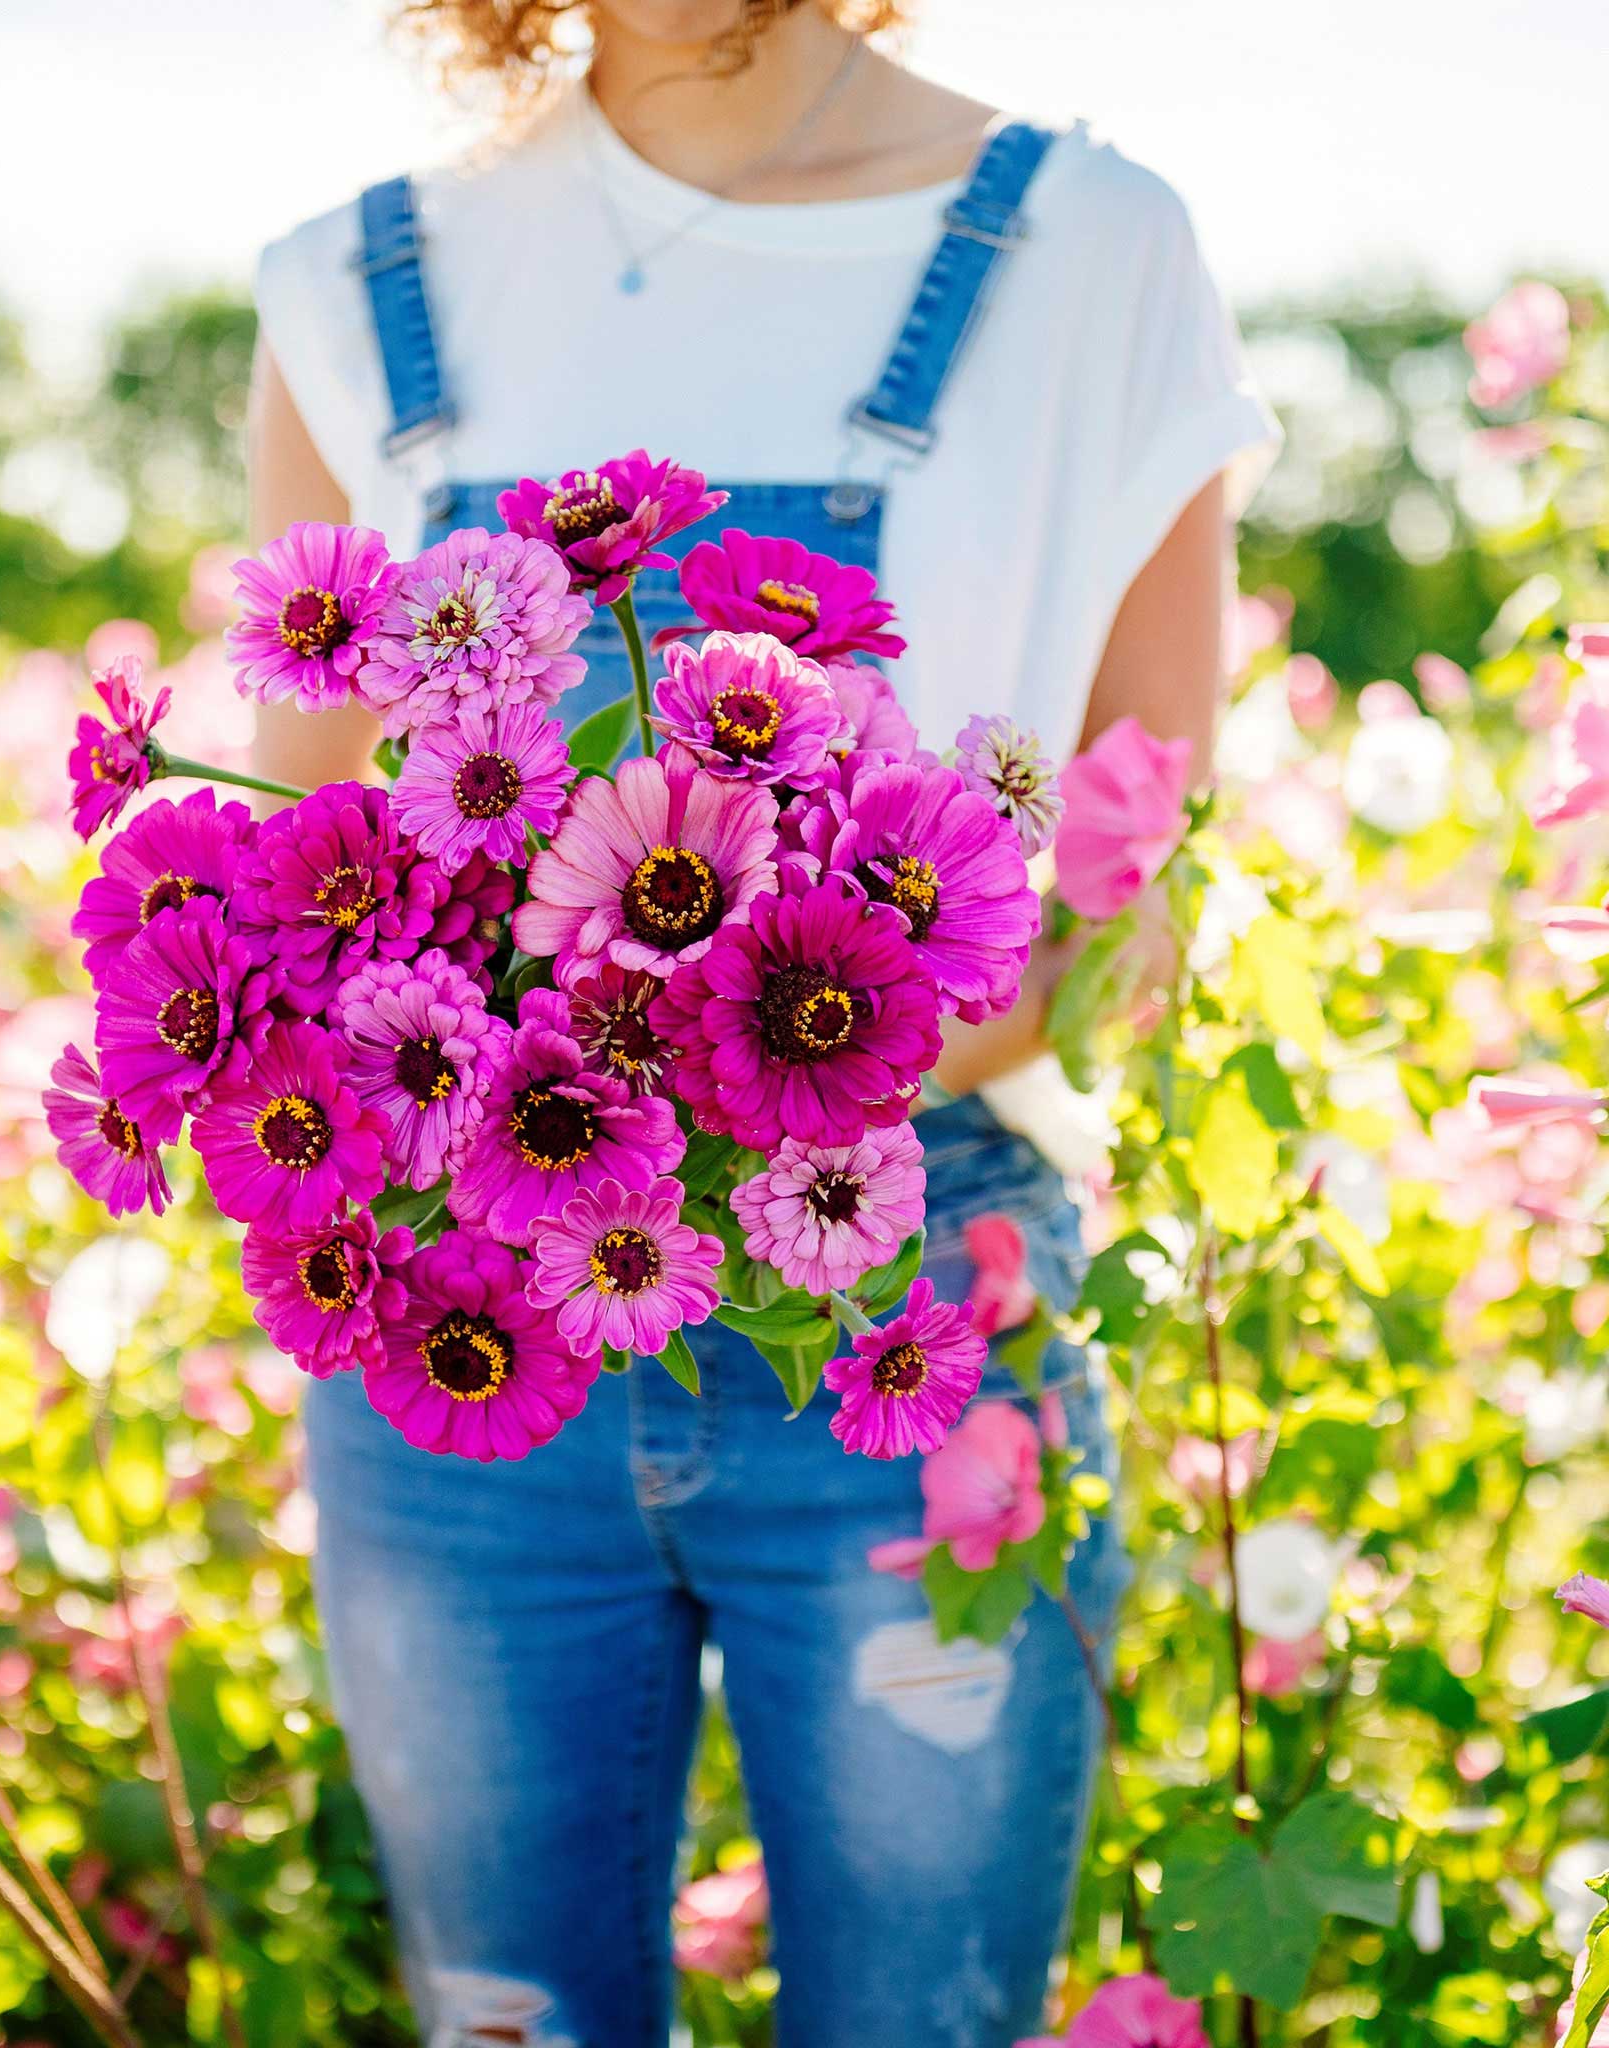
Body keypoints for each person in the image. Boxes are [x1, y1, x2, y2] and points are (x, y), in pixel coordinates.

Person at [246, 4, 1278, 2042]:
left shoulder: (1088, 251)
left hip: (904, 1331)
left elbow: (1118, 878)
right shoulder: (358, 278)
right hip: (467, 1355)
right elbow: (326, 869)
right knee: (507, 2020)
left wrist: (744, 1094)